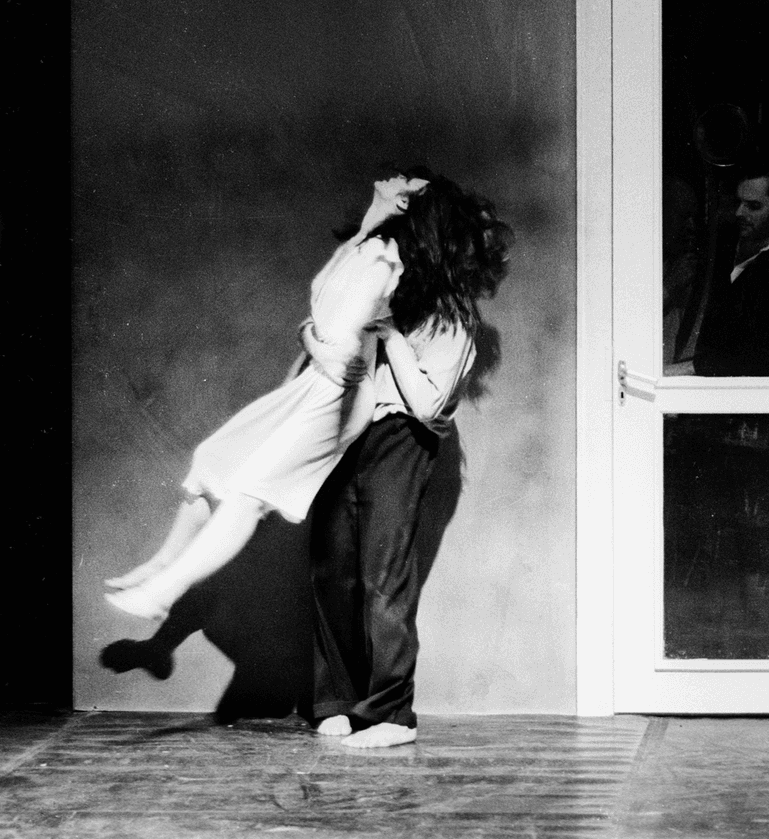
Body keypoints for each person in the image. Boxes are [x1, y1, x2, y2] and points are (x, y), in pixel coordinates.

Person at [103, 169, 511, 693]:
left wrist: (357, 346)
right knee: (218, 465)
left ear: (416, 213)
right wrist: (320, 338)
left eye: (407, 184)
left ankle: (166, 590)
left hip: (364, 417)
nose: (394, 177)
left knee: (275, 509)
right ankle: (162, 568)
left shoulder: (402, 274)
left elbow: (386, 366)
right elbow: (325, 312)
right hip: (323, 390)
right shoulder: (371, 247)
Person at [302, 170, 511, 748]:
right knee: (332, 568)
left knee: (382, 576)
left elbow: (425, 404)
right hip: (347, 432)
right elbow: (325, 305)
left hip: (400, 438)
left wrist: (391, 335)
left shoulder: (452, 317)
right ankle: (337, 699)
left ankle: (391, 714)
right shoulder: (379, 284)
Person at [691, 170, 769, 376]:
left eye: (753, 206)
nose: (739, 213)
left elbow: (763, 357)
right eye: (738, 202)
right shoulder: (723, 246)